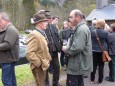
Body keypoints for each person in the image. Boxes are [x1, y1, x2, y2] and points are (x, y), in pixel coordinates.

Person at [63, 9, 93, 86]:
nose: (69, 19)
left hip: (76, 65)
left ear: (78, 17)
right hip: (78, 64)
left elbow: (77, 47)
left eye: (71, 17)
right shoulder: (82, 27)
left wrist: (66, 50)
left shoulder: (81, 29)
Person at [26, 12, 51, 86]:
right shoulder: (34, 34)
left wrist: (48, 58)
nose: (47, 23)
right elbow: (29, 53)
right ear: (39, 23)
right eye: (44, 21)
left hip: (43, 65)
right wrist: (39, 63)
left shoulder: (40, 33)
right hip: (38, 68)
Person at [39, 10, 62, 86]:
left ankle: (56, 83)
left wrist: (60, 46)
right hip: (46, 52)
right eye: (48, 18)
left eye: (50, 18)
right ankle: (46, 84)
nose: (50, 19)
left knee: (57, 68)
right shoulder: (41, 28)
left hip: (54, 51)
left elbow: (57, 37)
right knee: (45, 69)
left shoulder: (53, 26)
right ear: (45, 19)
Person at [0, 12, 19, 86]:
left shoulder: (11, 29)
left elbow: (8, 44)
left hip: (8, 60)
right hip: (7, 59)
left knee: (6, 80)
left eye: (0, 21)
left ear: (5, 20)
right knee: (11, 78)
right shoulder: (6, 29)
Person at [90, 19, 109, 84]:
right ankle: (100, 80)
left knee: (94, 65)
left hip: (94, 50)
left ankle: (92, 79)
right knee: (101, 66)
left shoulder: (92, 32)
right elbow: (107, 41)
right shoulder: (106, 32)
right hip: (102, 51)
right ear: (103, 25)